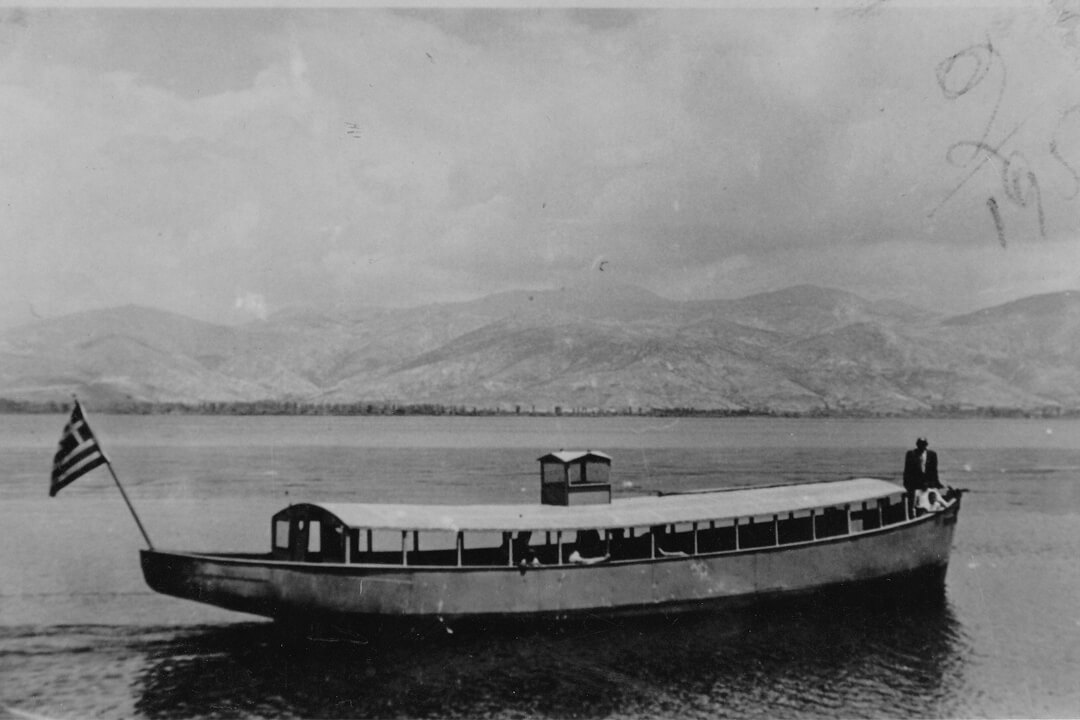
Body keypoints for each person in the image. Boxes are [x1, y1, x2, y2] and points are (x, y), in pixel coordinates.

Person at [904, 438, 948, 512]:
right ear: (917, 445)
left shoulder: (932, 454)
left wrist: (937, 483)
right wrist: (906, 484)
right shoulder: (911, 454)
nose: (922, 446)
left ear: (926, 445)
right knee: (915, 504)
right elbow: (907, 471)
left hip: (929, 484)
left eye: (924, 444)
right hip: (915, 484)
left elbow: (934, 471)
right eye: (920, 444)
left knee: (933, 500)